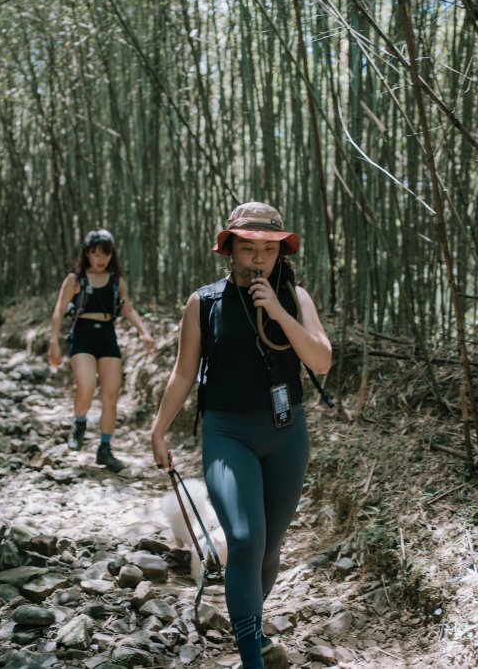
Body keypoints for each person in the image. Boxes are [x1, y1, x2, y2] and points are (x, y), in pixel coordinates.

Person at [149, 202, 332, 669]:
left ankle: (248, 616)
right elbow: (183, 372)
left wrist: (278, 309)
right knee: (246, 539)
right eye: (247, 248)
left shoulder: (296, 297)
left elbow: (322, 361)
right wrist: (158, 429)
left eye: (266, 251)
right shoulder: (204, 302)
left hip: (287, 434)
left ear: (279, 254)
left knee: (269, 548)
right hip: (227, 432)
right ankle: (251, 656)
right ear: (229, 249)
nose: (256, 259)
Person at [48, 228, 155, 472]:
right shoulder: (75, 280)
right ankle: (80, 422)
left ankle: (105, 449)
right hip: (82, 336)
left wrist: (144, 332)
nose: (100, 259)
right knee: (86, 386)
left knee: (110, 396)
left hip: (107, 336)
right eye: (95, 253)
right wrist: (54, 342)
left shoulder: (117, 281)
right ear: (86, 254)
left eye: (104, 254)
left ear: (111, 255)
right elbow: (58, 309)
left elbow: (128, 309)